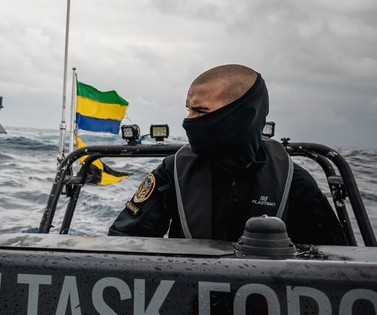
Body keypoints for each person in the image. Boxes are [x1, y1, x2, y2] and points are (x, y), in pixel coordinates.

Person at [108, 64, 347, 245]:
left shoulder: (293, 182)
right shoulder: (173, 171)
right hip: (187, 297)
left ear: (242, 116)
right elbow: (124, 241)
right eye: (188, 110)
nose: (187, 121)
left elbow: (334, 264)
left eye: (200, 111)